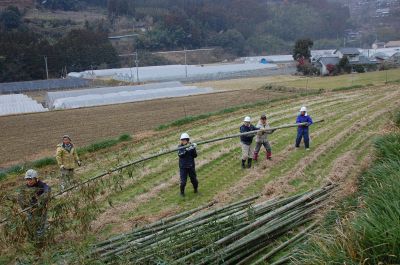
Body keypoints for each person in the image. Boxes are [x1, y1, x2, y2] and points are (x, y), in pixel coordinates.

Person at [18, 169, 51, 241]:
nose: (28, 181)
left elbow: (47, 188)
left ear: (36, 179)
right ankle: (35, 238)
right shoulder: (25, 188)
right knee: (32, 225)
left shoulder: (40, 184)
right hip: (30, 210)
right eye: (27, 179)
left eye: (30, 179)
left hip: (41, 209)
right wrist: (26, 207)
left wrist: (42, 199)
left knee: (41, 224)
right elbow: (20, 198)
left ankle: (41, 240)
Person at [177, 133, 198, 197]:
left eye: (184, 140)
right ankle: (182, 193)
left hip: (191, 166)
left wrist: (193, 148)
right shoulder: (180, 147)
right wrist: (186, 149)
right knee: (183, 182)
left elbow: (195, 155)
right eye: (182, 140)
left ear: (187, 140)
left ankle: (195, 190)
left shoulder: (191, 146)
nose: (183, 141)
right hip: (183, 167)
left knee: (194, 180)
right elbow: (180, 155)